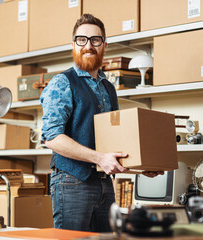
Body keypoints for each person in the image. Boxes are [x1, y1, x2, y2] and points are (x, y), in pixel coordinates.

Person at [40, 13, 163, 232]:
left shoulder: (108, 88)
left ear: (104, 45)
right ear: (73, 45)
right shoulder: (62, 83)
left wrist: (140, 166)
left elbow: (112, 144)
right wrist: (99, 158)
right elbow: (51, 137)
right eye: (82, 40)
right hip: (72, 182)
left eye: (95, 40)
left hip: (104, 184)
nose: (88, 45)